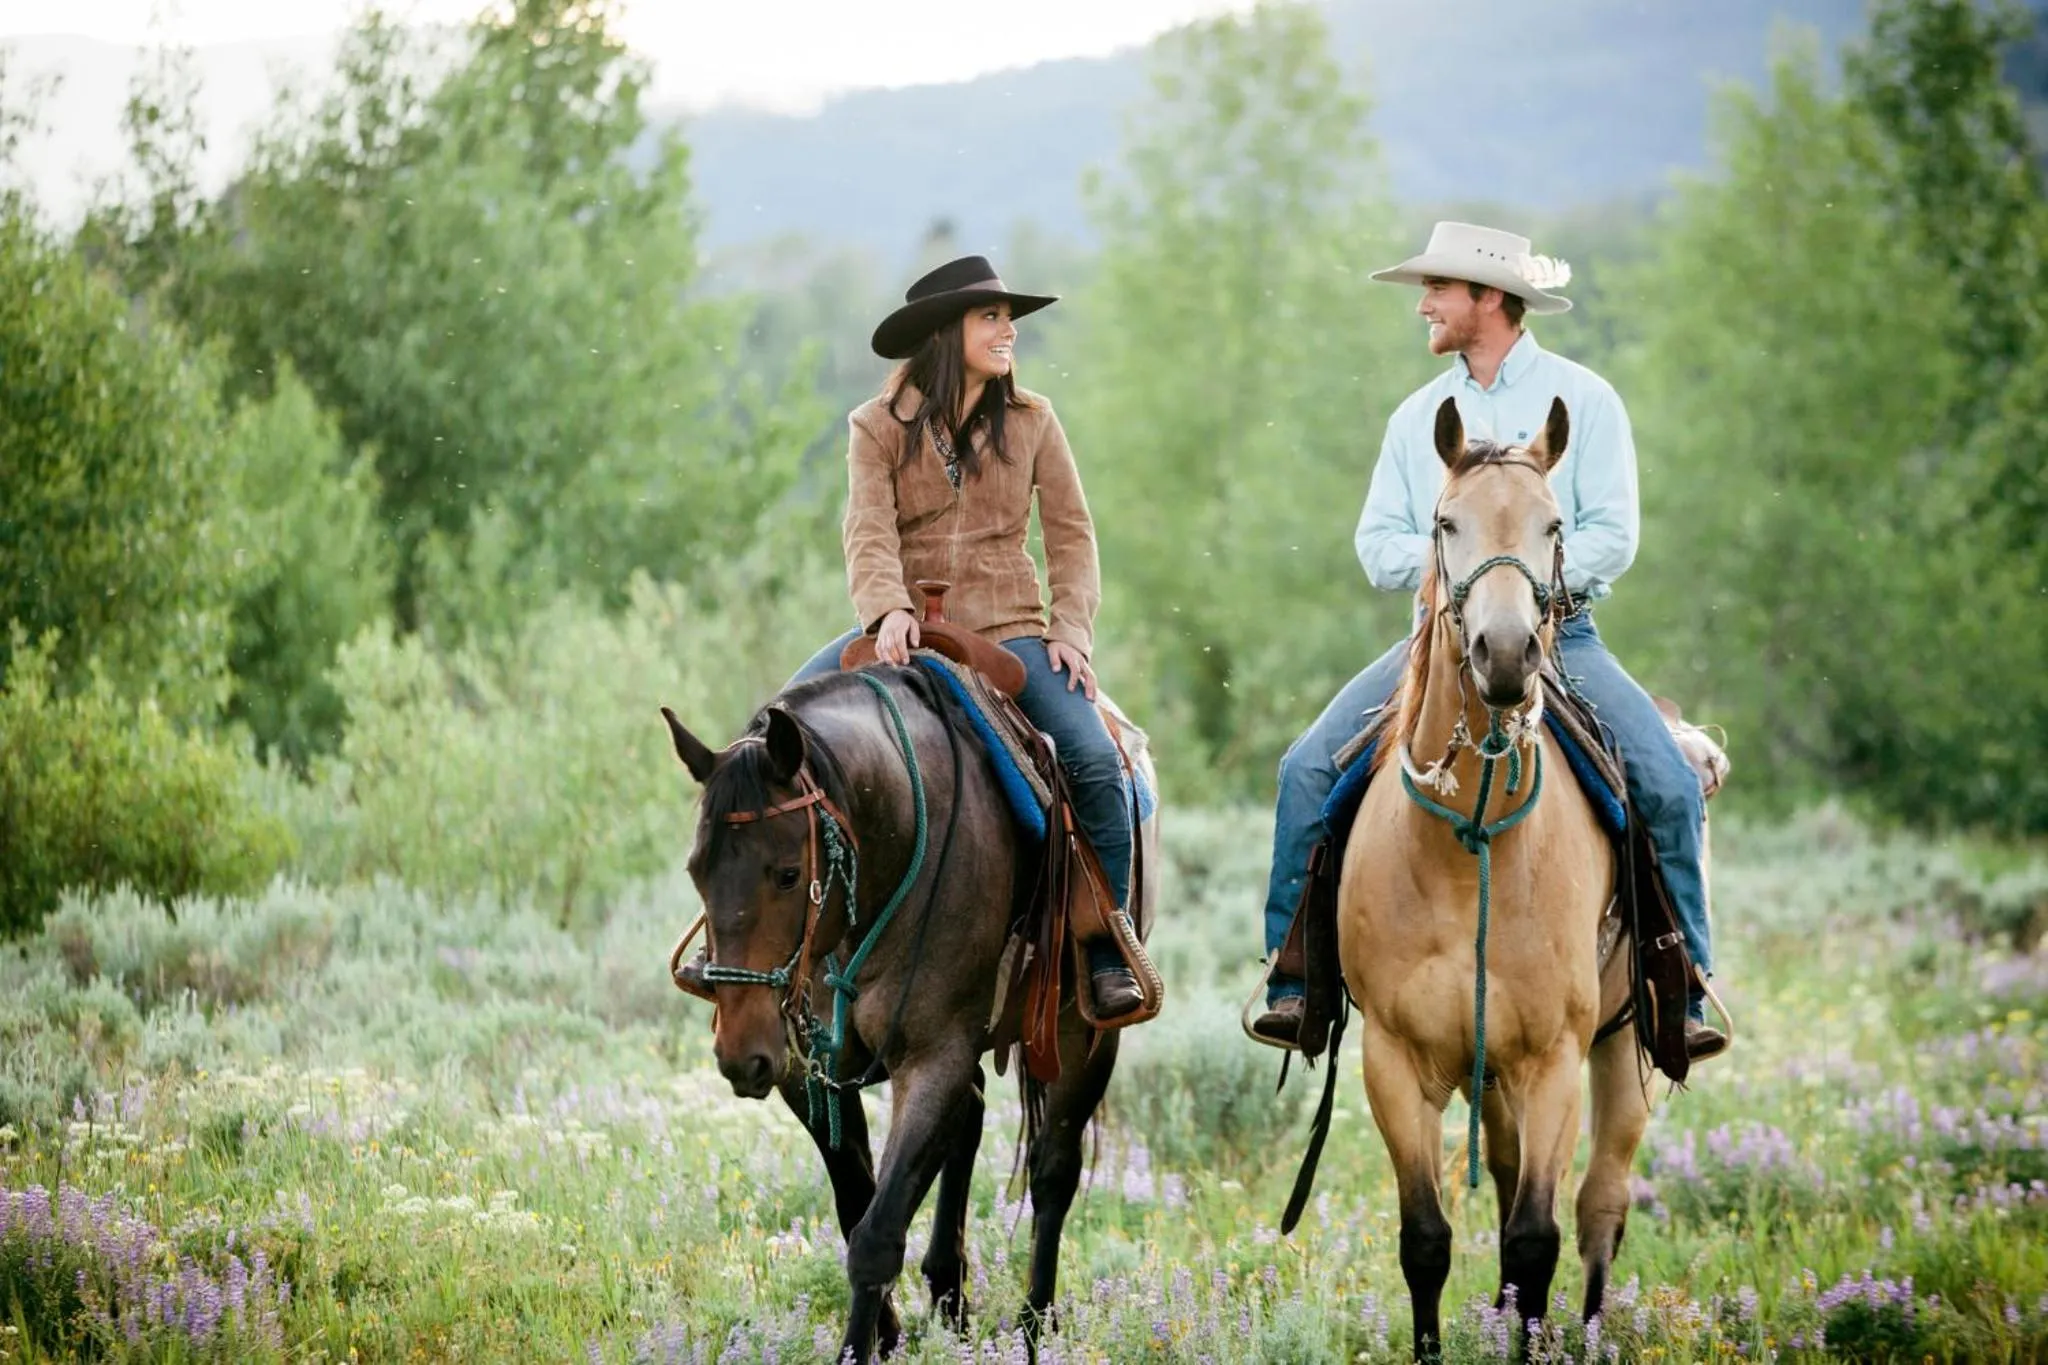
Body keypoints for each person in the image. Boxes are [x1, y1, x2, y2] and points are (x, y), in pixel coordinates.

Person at [1249, 221, 1725, 1060]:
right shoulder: (1414, 420)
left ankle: (1680, 981)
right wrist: (1460, 584)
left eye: (1439, 289)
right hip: (1439, 642)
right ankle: (1297, 978)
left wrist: (1525, 594)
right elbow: (1377, 541)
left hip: (1560, 636)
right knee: (1307, 768)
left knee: (1663, 779)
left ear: (1490, 300)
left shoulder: (1587, 400)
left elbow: (1616, 531)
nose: (1423, 304)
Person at [684, 255, 1143, 1020]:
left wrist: (1071, 630)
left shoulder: (1034, 420)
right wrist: (886, 610)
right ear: (945, 331)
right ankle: (726, 940)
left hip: (1009, 631)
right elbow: (867, 530)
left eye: (1008, 318)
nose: (1007, 331)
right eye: (989, 317)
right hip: (900, 631)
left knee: (1095, 761)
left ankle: (1106, 943)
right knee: (763, 743)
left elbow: (1072, 534)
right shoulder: (874, 426)